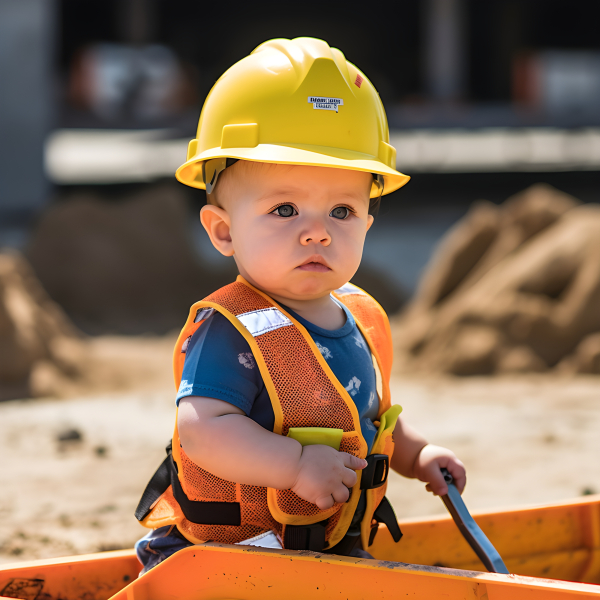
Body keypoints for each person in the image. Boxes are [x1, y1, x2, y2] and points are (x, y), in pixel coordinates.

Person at [134, 37, 466, 574]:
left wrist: (419, 456)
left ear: (367, 223)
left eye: (341, 211)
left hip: (323, 554)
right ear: (223, 231)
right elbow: (203, 428)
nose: (317, 233)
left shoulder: (360, 316)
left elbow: (369, 418)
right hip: (226, 564)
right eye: (285, 209)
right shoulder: (234, 330)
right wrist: (294, 465)